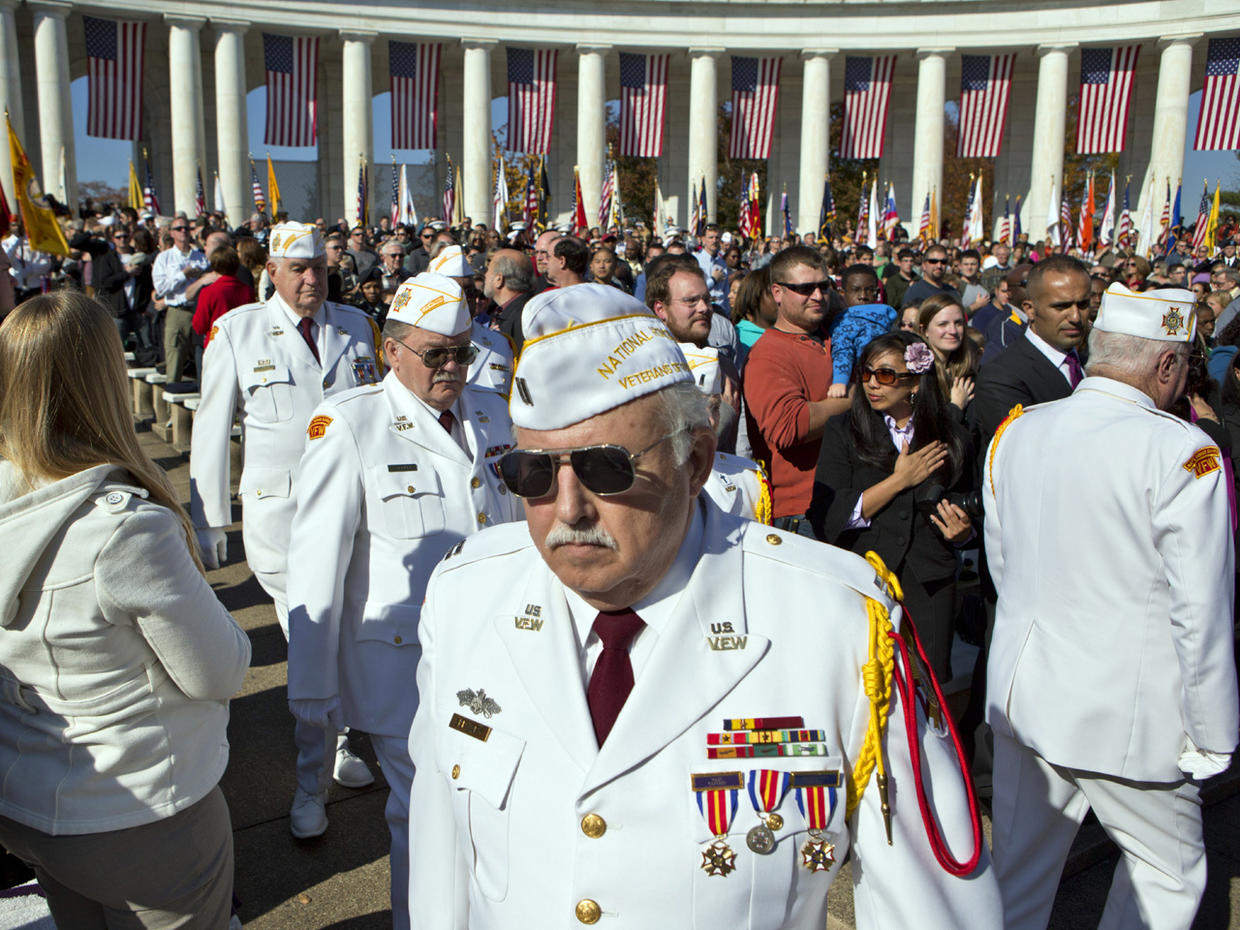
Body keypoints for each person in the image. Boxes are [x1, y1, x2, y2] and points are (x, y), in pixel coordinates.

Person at [407, 282, 999, 929]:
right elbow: (443, 871)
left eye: (607, 469)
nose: (568, 510)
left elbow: (930, 911)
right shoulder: (468, 594)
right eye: (534, 474)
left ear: (694, 463)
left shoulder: (837, 623)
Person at [984, 282, 1238, 930]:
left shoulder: (1019, 432)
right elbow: (1201, 607)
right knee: (1167, 879)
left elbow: (1005, 565)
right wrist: (1214, 731)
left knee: (1016, 883)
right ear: (1166, 365)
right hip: (1130, 711)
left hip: (1028, 696)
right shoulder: (1186, 450)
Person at [0, 292, 251, 927]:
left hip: (27, 803)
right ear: (105, 381)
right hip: (143, 814)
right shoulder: (124, 530)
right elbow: (218, 672)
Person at [287, 274, 520, 930]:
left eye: (463, 351)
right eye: (435, 354)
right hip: (399, 665)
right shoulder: (352, 423)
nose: (452, 368)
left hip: (494, 656)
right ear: (391, 351)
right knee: (424, 815)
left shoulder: (491, 411)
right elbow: (317, 560)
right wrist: (312, 681)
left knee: (481, 809)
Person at [189, 221, 382, 839]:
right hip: (283, 520)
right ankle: (309, 783)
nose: (310, 279)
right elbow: (212, 426)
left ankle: (348, 741)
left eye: (319, 268)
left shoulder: (354, 326)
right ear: (270, 270)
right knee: (311, 646)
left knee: (358, 629)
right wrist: (209, 515)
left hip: (355, 511)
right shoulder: (239, 331)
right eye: (297, 268)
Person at [808, 332, 974, 683]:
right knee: (864, 686)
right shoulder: (843, 430)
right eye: (865, 374)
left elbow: (971, 505)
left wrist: (963, 533)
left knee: (929, 693)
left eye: (884, 375)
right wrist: (899, 481)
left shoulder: (952, 433)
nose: (871, 384)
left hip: (929, 584)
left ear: (915, 382)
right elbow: (828, 515)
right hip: (862, 578)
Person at [742, 246, 850, 530]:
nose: (817, 296)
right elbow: (789, 427)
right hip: (803, 513)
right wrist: (861, 399)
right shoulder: (768, 354)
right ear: (777, 293)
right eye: (804, 288)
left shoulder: (838, 336)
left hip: (852, 501)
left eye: (823, 286)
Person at [968, 254, 1090, 444]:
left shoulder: (1092, 364)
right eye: (1061, 306)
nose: (1075, 316)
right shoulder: (1001, 376)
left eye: (1082, 305)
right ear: (1030, 310)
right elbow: (1025, 450)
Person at [826, 264, 897, 397]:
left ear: (876, 293)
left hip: (860, 384)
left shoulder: (846, 323)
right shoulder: (886, 320)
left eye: (869, 290)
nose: (863, 296)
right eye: (856, 290)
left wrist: (840, 382)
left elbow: (842, 350)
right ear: (842, 293)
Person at [151, 218, 208, 383]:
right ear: (172, 233)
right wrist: (183, 275)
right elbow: (161, 288)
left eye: (186, 228)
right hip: (178, 311)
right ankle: (172, 398)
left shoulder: (201, 257)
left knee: (201, 358)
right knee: (174, 357)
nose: (183, 231)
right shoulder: (164, 258)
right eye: (179, 228)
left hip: (199, 310)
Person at [917, 294, 978, 413]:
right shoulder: (919, 376)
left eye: (958, 323)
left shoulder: (967, 372)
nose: (953, 331)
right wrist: (956, 407)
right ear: (924, 330)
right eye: (943, 324)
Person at [192, 245, 253, 348]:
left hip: (216, 345)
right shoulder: (246, 290)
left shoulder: (209, 292)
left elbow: (199, 326)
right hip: (240, 344)